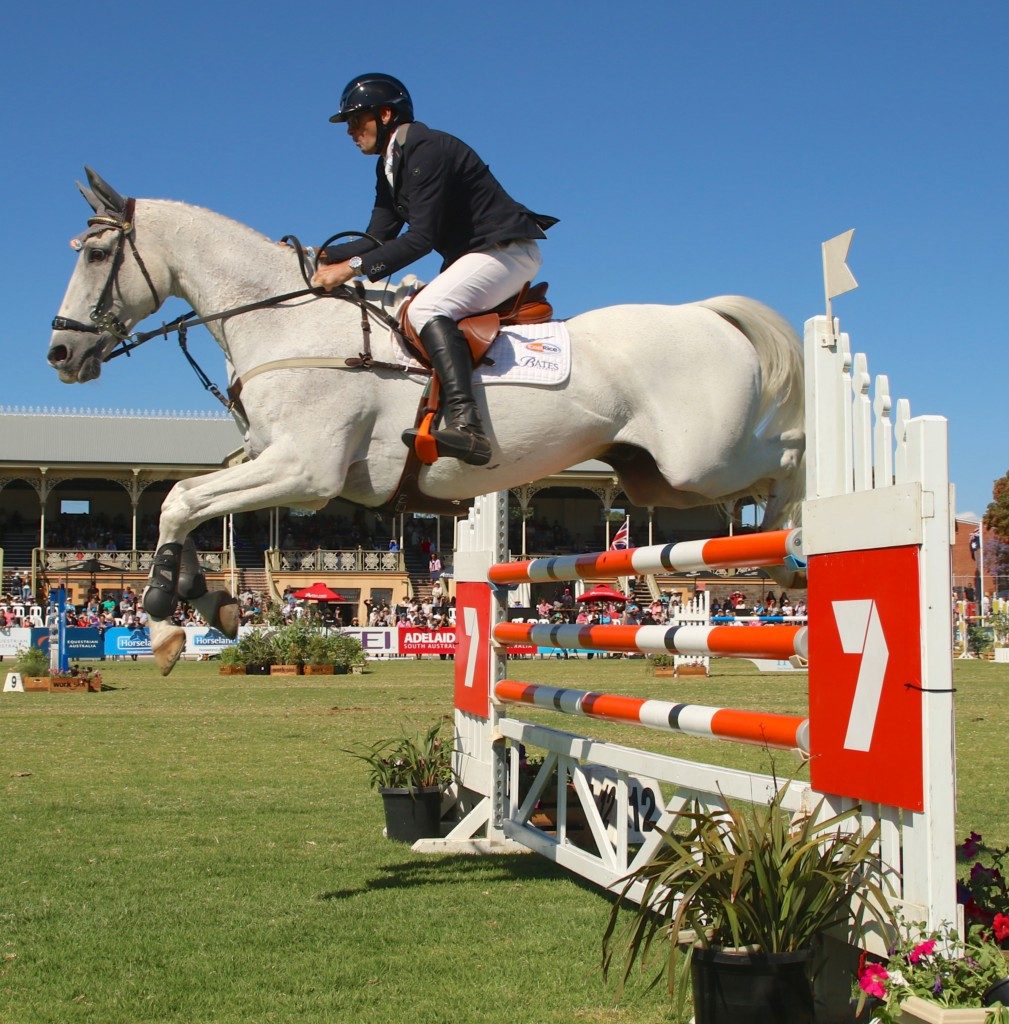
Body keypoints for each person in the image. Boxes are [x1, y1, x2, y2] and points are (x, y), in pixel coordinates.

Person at [312, 72, 557, 466]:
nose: (351, 131)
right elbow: (378, 237)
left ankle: (468, 426)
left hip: (504, 251)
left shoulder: (426, 148)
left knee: (427, 309)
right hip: (477, 255)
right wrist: (318, 256)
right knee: (409, 308)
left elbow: (421, 237)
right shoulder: (390, 166)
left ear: (386, 114)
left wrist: (351, 268)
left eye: (357, 121)